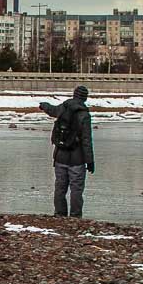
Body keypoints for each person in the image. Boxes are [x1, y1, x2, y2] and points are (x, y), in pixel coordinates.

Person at [39, 86, 94, 218]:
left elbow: (52, 110)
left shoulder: (63, 107)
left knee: (60, 188)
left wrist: (44, 105)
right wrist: (90, 161)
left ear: (74, 95)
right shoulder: (84, 115)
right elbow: (86, 140)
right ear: (85, 98)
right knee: (76, 190)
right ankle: (75, 216)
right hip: (77, 159)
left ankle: (59, 214)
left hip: (60, 156)